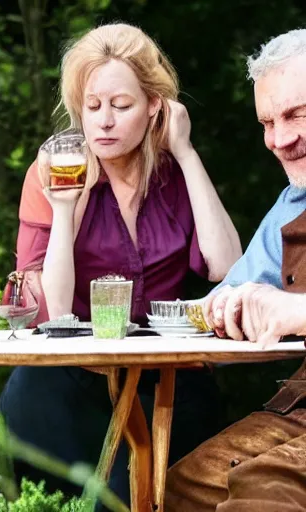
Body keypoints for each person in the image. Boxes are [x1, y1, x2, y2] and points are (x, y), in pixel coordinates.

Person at [0, 23, 241, 506]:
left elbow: (226, 267)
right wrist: (66, 210)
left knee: (146, 497)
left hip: (167, 379)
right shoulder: (56, 171)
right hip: (73, 378)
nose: (104, 122)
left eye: (121, 105)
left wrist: (187, 152)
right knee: (39, 408)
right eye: (92, 107)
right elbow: (52, 313)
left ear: (155, 105)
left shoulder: (174, 176)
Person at [165, 28, 306, 512]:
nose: (280, 139)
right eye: (268, 122)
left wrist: (295, 312)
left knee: (259, 494)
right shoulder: (291, 205)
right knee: (180, 487)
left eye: (296, 115)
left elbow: (284, 309)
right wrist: (192, 317)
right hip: (297, 410)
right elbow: (222, 300)